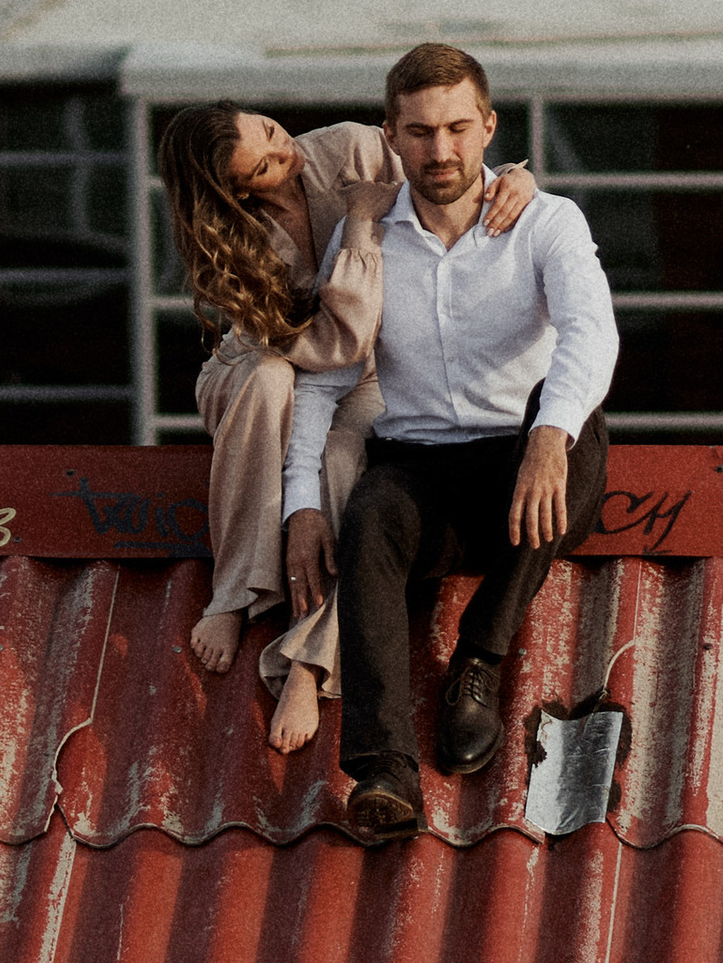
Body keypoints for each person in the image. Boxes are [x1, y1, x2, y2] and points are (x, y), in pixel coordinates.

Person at [283, 40, 615, 843]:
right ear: (391, 136)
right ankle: (382, 770)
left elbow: (590, 332)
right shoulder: (367, 240)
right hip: (420, 462)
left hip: (519, 457)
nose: (443, 149)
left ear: (490, 125)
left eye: (459, 128)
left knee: (578, 431)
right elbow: (325, 376)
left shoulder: (544, 219)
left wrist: (547, 436)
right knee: (369, 520)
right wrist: (299, 501)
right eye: (422, 131)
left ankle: (479, 659)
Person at [159, 102, 535, 755]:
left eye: (271, 130)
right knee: (267, 381)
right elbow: (330, 337)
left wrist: (515, 183)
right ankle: (234, 588)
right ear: (236, 190)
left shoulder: (354, 150)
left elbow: (456, 178)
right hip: (269, 364)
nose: (285, 151)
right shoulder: (233, 239)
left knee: (346, 460)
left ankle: (308, 660)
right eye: (266, 165)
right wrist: (362, 224)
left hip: (367, 374)